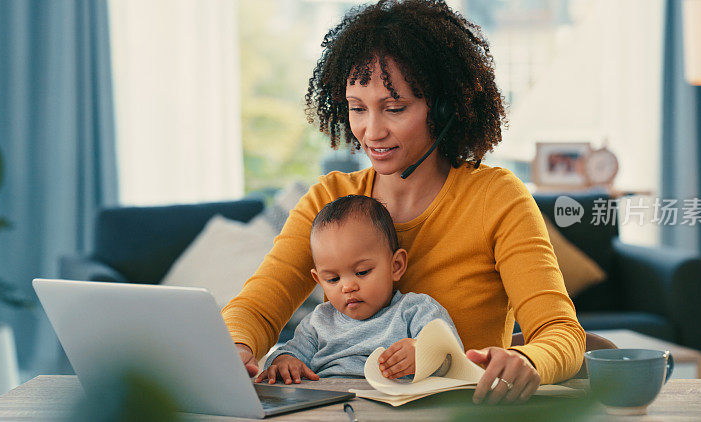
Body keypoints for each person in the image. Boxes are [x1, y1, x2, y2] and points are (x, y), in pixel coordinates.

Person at [223, 0, 586, 405]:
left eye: (394, 108)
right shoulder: (329, 198)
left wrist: (527, 359)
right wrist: (236, 348)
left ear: (443, 107)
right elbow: (256, 308)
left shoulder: (497, 197)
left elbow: (561, 332)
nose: (371, 132)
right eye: (357, 108)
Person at [255, 194, 461, 383]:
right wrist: (284, 362)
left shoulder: (415, 310)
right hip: (328, 407)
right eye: (333, 279)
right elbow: (287, 355)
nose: (348, 287)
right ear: (319, 280)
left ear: (395, 266)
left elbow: (453, 358)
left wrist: (425, 353)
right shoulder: (318, 323)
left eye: (362, 272)